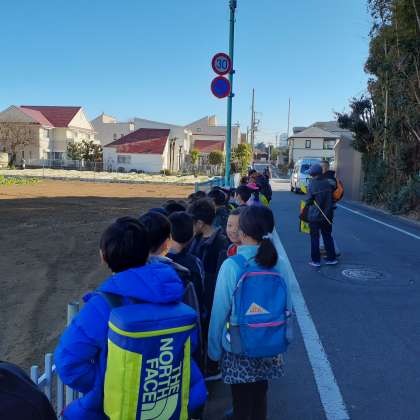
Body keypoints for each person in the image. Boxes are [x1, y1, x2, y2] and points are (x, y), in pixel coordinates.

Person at [54, 217, 206, 419]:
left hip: (118, 410)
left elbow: (68, 362)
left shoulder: (103, 305)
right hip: (170, 402)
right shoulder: (170, 293)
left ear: (103, 256)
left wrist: (109, 384)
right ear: (147, 252)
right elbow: (188, 345)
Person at [208, 206, 286, 420]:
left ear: (242, 233)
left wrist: (213, 352)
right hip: (270, 342)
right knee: (260, 394)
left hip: (238, 345)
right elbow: (287, 306)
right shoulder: (277, 262)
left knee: (241, 401)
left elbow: (219, 312)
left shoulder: (232, 265)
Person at [188, 198, 228, 380]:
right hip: (202, 299)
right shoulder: (197, 239)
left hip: (211, 300)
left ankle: (212, 367)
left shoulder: (219, 244)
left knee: (210, 332)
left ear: (200, 223)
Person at [167, 211, 205, 319]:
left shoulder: (158, 260)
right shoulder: (195, 262)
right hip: (187, 317)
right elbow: (199, 293)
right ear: (192, 235)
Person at [306, 164, 338, 267]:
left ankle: (316, 261)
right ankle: (331, 258)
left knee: (315, 238)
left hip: (315, 216)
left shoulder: (312, 184)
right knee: (327, 236)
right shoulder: (328, 183)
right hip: (327, 214)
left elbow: (309, 201)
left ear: (312, 174)